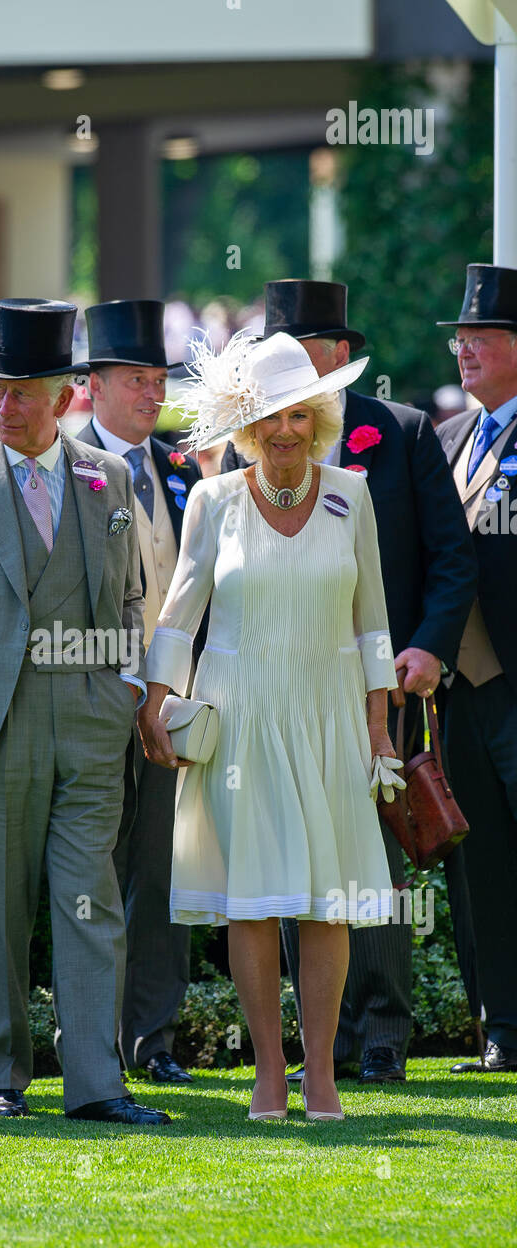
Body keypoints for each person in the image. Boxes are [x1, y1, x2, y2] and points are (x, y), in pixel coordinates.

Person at [0, 297, 169, 1125]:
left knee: (90, 903)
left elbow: (129, 597)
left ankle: (97, 1085)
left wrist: (124, 687)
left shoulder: (109, 479)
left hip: (88, 728)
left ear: (64, 397)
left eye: (23, 391)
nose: (4, 405)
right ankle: (0, 1080)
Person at [138, 329, 400, 1122]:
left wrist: (380, 729)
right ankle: (268, 1073)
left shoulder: (351, 494)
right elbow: (180, 612)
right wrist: (155, 699)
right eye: (269, 420)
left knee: (326, 901)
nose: (284, 432)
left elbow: (374, 624)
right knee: (249, 901)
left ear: (318, 417)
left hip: (328, 716)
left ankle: (320, 1074)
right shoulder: (213, 500)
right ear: (245, 429)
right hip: (239, 717)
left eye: (298, 415)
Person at [221, 281, 476, 1084]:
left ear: (339, 356)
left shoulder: (399, 433)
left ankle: (380, 1037)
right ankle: (313, 1047)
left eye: (308, 352)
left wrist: (428, 649)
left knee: (369, 861)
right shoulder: (242, 452)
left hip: (375, 690)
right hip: (270, 693)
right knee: (287, 860)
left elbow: (450, 557)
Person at [79, 298, 201, 1085]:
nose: (152, 393)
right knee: (88, 870)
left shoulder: (184, 469)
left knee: (161, 869)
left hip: (170, 699)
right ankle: (87, 1038)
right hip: (88, 696)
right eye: (136, 379)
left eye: (159, 378)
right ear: (92, 385)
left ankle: (150, 1040)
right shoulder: (65, 464)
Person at [435, 263, 517, 1074]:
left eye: (481, 336)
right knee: (479, 862)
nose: (463, 349)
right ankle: (503, 1026)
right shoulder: (450, 436)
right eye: (460, 337)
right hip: (463, 696)